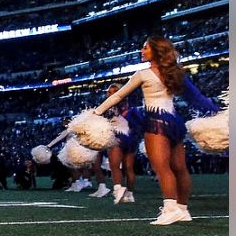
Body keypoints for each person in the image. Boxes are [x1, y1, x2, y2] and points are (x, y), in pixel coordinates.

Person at [91, 36, 220, 225]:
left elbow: (119, 95)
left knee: (162, 168)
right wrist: (219, 115)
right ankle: (183, 209)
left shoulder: (143, 74)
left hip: (155, 121)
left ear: (156, 51)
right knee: (180, 169)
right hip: (175, 122)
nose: (142, 51)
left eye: (145, 48)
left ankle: (170, 209)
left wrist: (96, 112)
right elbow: (198, 99)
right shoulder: (176, 73)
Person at [101, 83, 139, 204]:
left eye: (115, 91)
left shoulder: (108, 106)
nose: (112, 94)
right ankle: (130, 195)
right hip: (131, 138)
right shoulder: (131, 106)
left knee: (114, 165)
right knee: (128, 167)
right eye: (110, 91)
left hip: (117, 137)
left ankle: (118, 190)